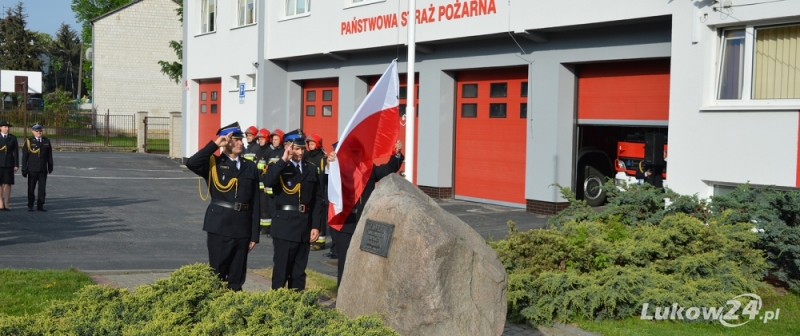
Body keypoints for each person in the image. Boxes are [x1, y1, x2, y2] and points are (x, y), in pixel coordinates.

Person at [185, 122, 261, 291]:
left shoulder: (250, 166)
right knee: (217, 274)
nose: (240, 143)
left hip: (242, 227)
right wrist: (215, 144)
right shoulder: (213, 163)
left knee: (237, 276)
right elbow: (191, 163)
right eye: (235, 140)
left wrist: (254, 235)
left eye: (241, 139)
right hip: (220, 226)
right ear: (226, 141)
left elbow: (256, 201)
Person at [329, 140, 403, 287]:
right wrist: (330, 163)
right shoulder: (339, 170)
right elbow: (327, 180)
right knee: (344, 263)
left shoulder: (368, 169)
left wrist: (397, 154)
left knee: (362, 263)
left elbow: (387, 170)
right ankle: (342, 299)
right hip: (346, 223)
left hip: (363, 223)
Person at [262, 129, 324, 291]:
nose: (301, 152)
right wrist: (284, 159)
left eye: (302, 148)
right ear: (288, 147)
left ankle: (296, 306)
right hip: (284, 226)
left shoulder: (310, 169)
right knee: (282, 270)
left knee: (299, 272)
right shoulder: (279, 166)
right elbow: (268, 181)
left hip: (304, 224)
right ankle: (278, 305)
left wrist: (316, 225)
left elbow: (317, 200)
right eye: (297, 148)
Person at [21, 124, 53, 212]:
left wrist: (50, 166)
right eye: (37, 131)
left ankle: (40, 205)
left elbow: (49, 155)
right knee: (31, 187)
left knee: (42, 188)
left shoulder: (46, 141)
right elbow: (25, 157)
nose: (39, 132)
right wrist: (24, 168)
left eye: (40, 131)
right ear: (33, 131)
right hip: (32, 168)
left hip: (43, 168)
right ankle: (30, 205)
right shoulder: (29, 141)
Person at [304, 134, 328, 251]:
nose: (310, 146)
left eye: (312, 144)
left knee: (321, 216)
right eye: (309, 144)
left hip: (320, 190)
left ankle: (320, 242)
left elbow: (324, 176)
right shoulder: (306, 157)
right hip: (310, 190)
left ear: (317, 144)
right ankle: (311, 238)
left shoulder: (322, 158)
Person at [253, 128, 272, 235]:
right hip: (257, 185)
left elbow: (268, 169)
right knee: (259, 207)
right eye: (259, 139)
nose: (260, 140)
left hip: (264, 185)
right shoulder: (258, 151)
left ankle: (266, 228)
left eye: (261, 138)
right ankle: (261, 226)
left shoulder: (269, 151)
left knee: (265, 208)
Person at [0, 120, 19, 211]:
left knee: (8, 183)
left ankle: (6, 203)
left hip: (9, 163)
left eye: (8, 127)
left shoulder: (13, 138)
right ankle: (0, 202)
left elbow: (16, 152)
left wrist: (16, 164)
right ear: (0, 128)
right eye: (5, 127)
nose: (7, 128)